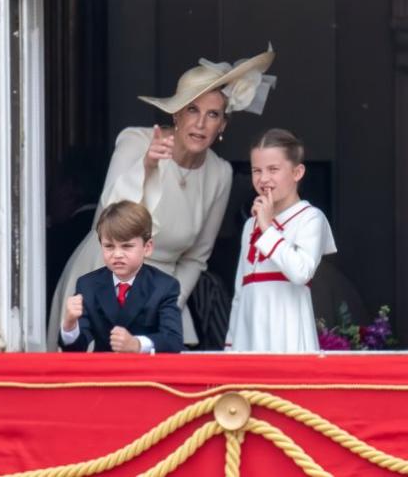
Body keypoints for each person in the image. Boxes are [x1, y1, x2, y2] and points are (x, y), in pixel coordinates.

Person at [47, 47, 277, 350]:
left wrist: (164, 305)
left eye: (212, 115)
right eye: (192, 110)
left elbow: (196, 259)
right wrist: (148, 166)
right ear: (176, 113)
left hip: (161, 294)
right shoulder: (137, 141)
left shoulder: (219, 174)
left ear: (222, 126)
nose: (200, 123)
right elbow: (108, 218)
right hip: (102, 278)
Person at [225, 128, 337, 352]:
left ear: (297, 172)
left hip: (288, 334)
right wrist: (230, 345)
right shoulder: (250, 225)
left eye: (273, 169)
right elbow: (241, 291)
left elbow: (301, 272)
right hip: (249, 338)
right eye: (257, 170)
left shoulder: (310, 218)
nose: (263, 178)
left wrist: (267, 228)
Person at [59, 201, 183, 353]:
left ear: (147, 247)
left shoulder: (164, 286)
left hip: (145, 373)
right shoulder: (87, 285)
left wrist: (137, 344)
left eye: (127, 246)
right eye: (109, 246)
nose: (117, 254)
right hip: (104, 373)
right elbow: (77, 348)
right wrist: (70, 324)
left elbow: (173, 341)